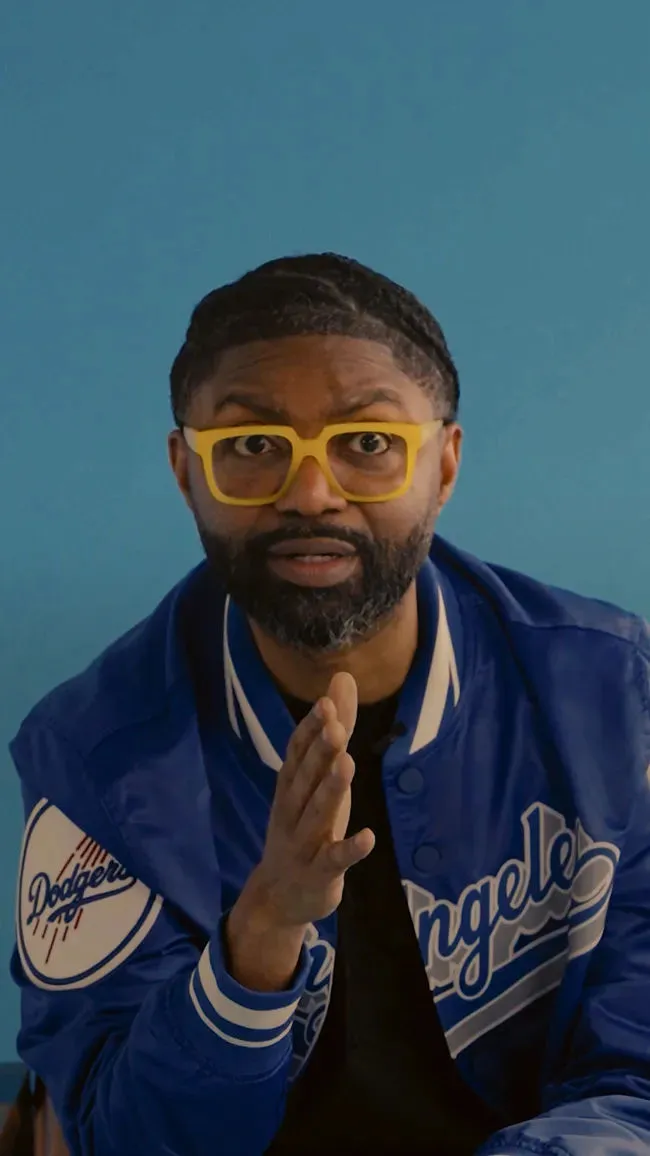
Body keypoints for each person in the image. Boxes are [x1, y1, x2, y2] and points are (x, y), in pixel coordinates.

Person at [9, 252, 650, 1156]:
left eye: (368, 443)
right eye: (252, 447)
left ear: (445, 464)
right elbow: (121, 1134)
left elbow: (638, 1072)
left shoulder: (614, 694)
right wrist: (260, 939)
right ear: (187, 472)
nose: (311, 494)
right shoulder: (93, 757)